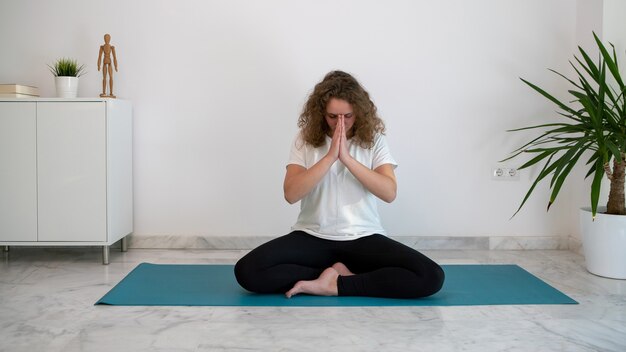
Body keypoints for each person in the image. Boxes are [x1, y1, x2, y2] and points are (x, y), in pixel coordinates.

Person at [234, 71, 444, 299]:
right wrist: (329, 157)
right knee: (248, 271)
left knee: (430, 276)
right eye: (333, 116)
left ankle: (338, 284)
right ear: (321, 113)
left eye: (348, 115)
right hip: (312, 236)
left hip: (362, 237)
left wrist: (347, 159)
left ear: (360, 112)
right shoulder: (305, 139)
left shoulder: (374, 140)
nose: (340, 123)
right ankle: (330, 275)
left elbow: (389, 192)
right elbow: (291, 194)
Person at [97, 33, 118, 98]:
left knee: (111, 77)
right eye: (105, 38)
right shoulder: (102, 47)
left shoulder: (112, 47)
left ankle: (111, 92)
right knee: (104, 77)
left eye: (108, 38)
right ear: (104, 39)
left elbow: (115, 57)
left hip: (109, 63)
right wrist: (98, 65)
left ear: (109, 39)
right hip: (104, 62)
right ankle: (104, 92)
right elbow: (99, 57)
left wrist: (115, 66)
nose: (106, 39)